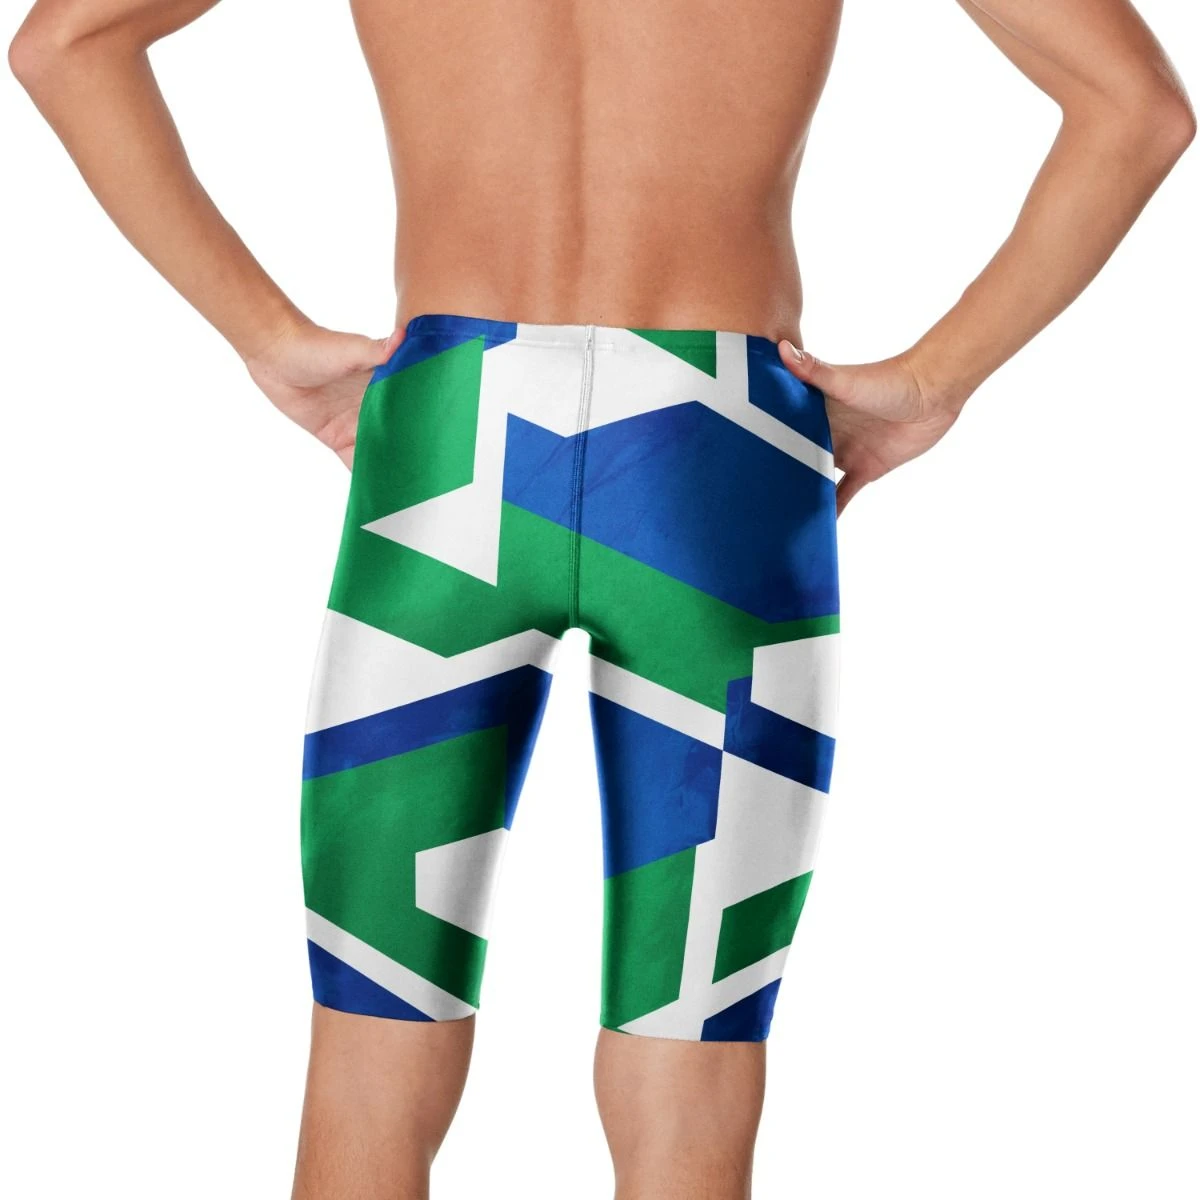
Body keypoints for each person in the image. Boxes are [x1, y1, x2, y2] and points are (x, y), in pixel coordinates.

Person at [9, 0, 1192, 1196]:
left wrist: (265, 336)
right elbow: (1136, 108)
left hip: (451, 438)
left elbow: (65, 43)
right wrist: (935, 381)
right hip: (718, 449)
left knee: (371, 1041)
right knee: (693, 1044)